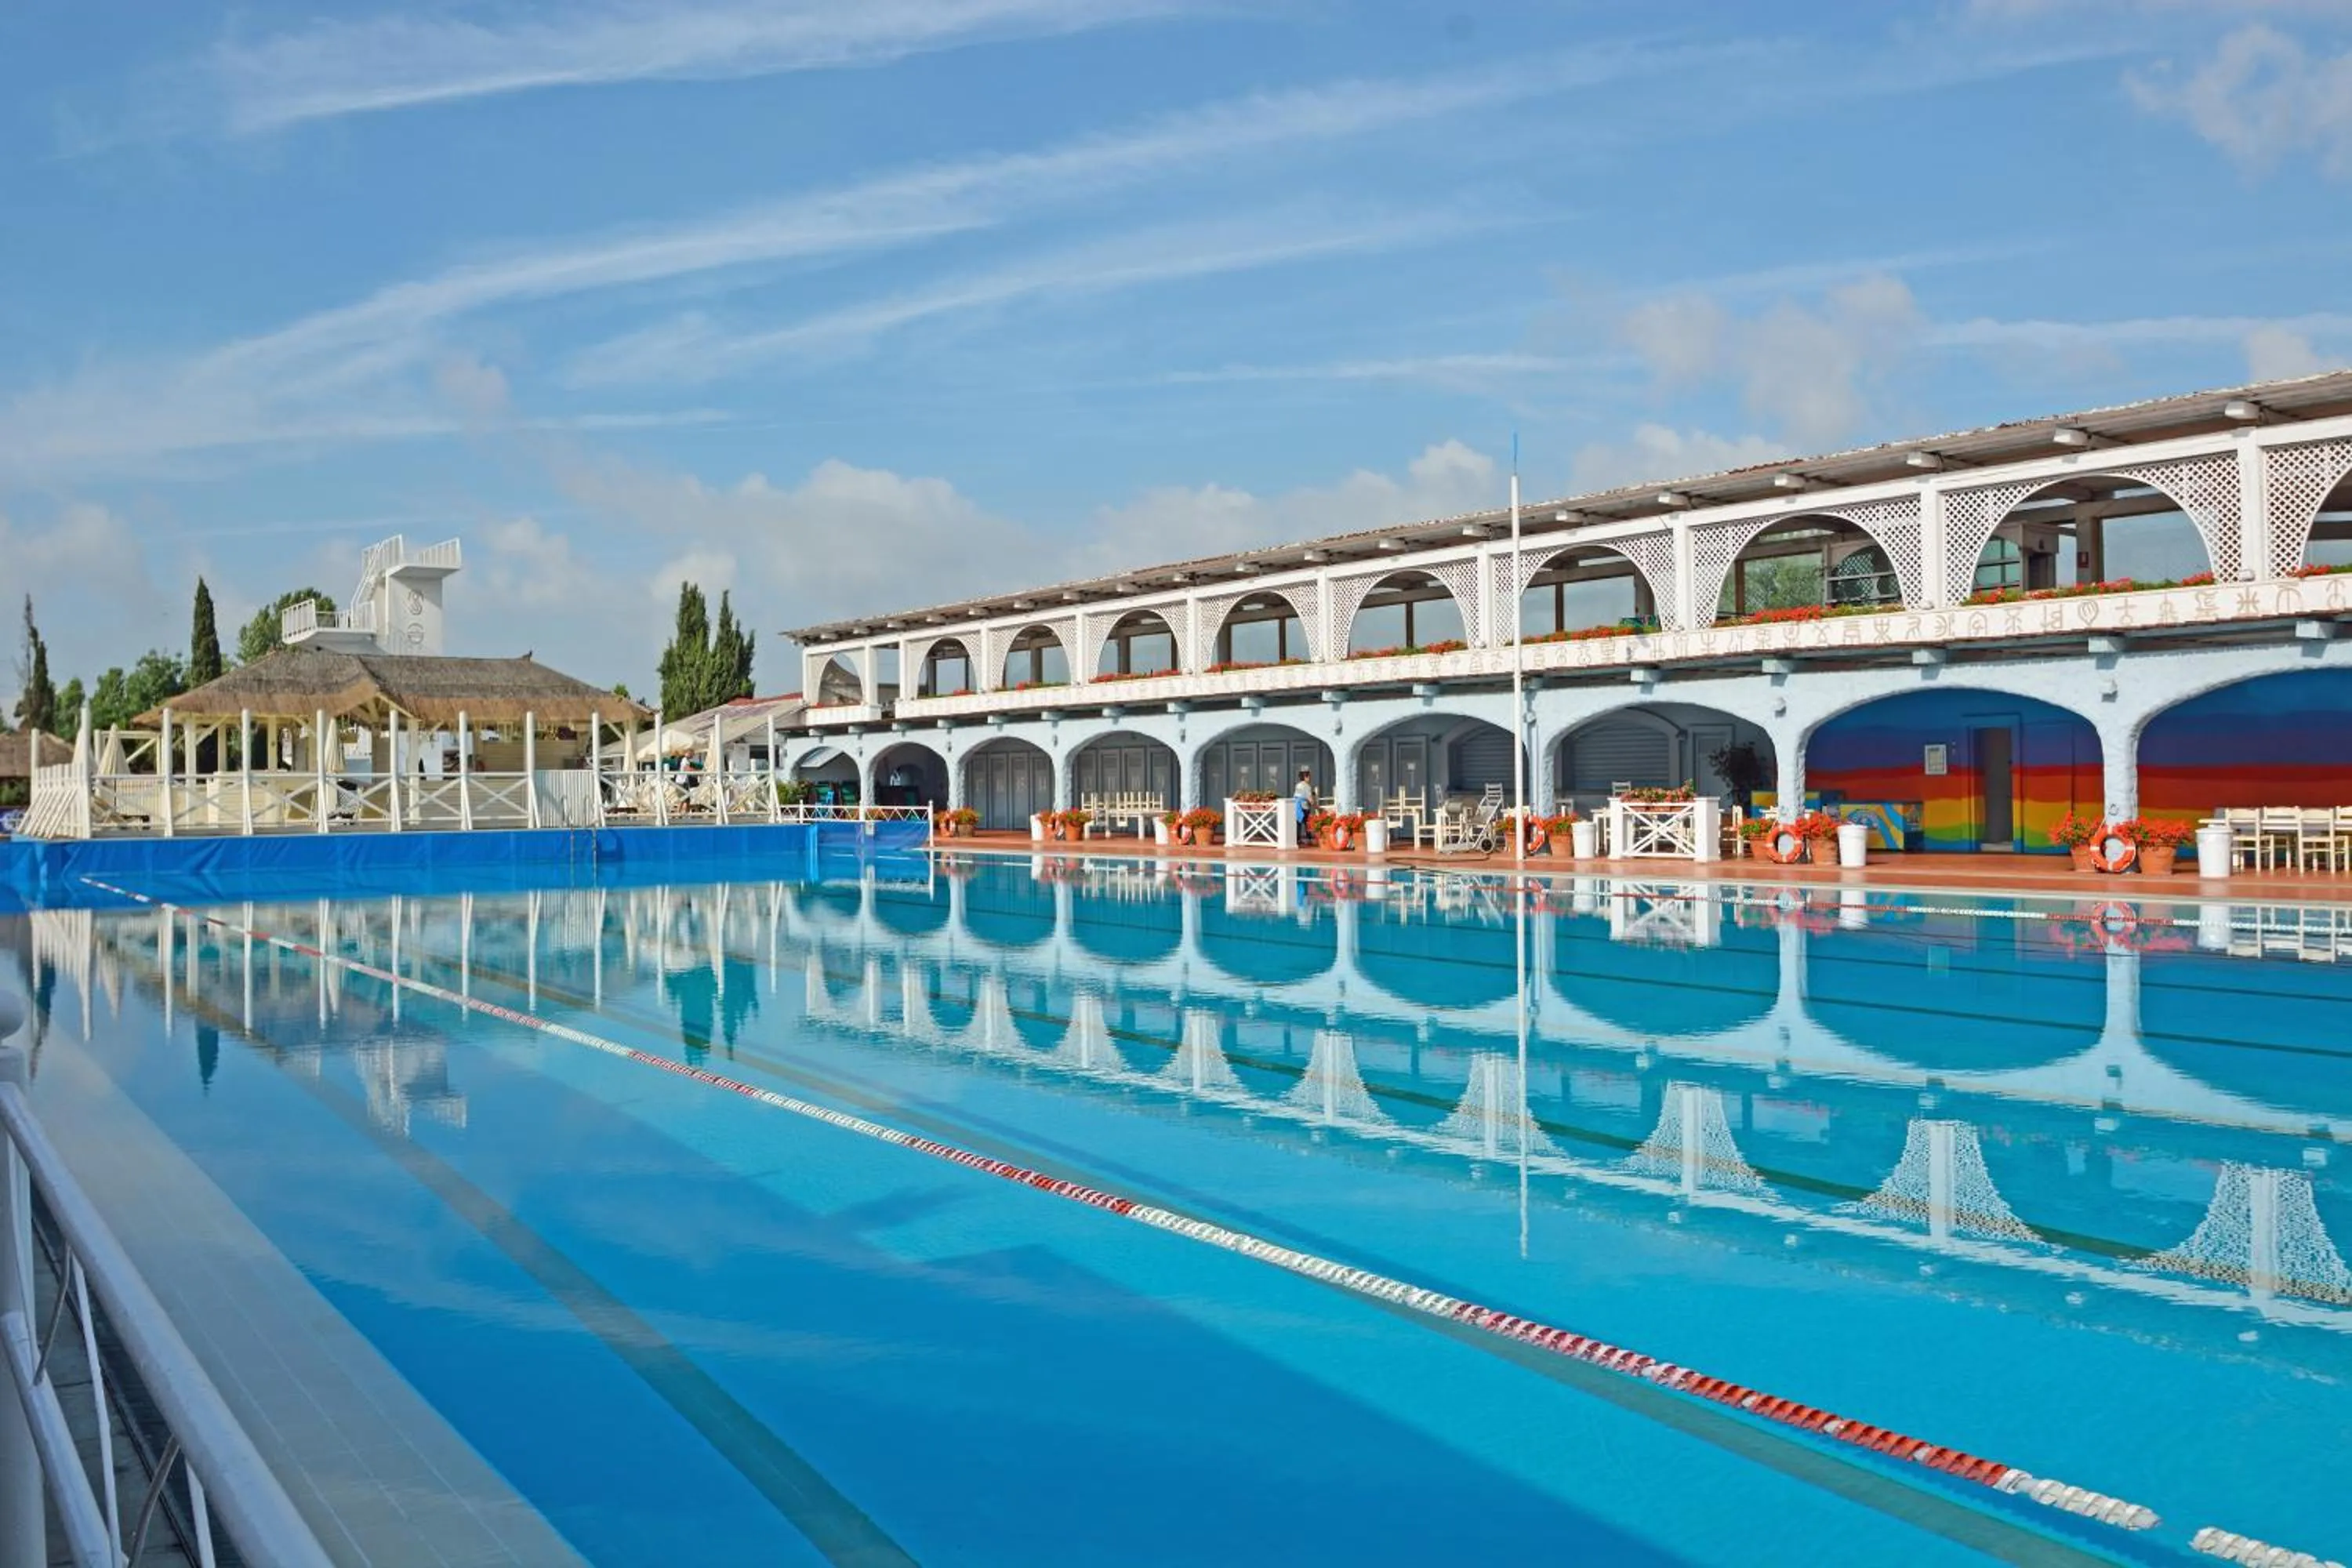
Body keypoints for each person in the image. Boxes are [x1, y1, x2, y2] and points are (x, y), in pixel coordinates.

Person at [1293, 767, 1314, 831]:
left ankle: (1297, 836)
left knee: (1298, 823)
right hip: (1304, 806)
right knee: (1307, 823)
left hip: (1297, 806)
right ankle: (1308, 835)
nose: (1310, 778)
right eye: (1309, 776)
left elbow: (1298, 795)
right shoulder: (1307, 786)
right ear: (1305, 777)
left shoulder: (1298, 785)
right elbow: (1310, 798)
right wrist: (1315, 805)